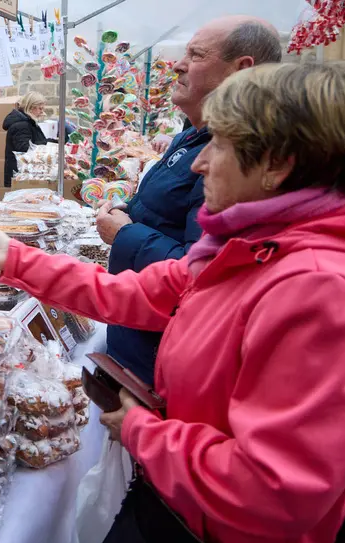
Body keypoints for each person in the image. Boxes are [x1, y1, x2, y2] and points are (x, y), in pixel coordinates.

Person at [0, 62, 345, 543]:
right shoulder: (247, 248)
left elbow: (274, 488)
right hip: (190, 514)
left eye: (219, 145)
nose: (198, 164)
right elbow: (136, 293)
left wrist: (142, 430)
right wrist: (17, 259)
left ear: (277, 164)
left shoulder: (320, 290)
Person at [94, 16, 282, 385]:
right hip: (139, 337)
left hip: (162, 361)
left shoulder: (238, 163)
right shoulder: (192, 138)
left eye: (195, 55)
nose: (178, 64)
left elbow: (200, 273)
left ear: (241, 69)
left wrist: (125, 235)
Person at [3, 92, 76, 187]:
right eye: (40, 108)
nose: (42, 112)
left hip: (24, 175)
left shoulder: (27, 122)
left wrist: (57, 142)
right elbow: (25, 149)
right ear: (31, 107)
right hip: (20, 176)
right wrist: (49, 147)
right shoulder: (21, 125)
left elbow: (37, 141)